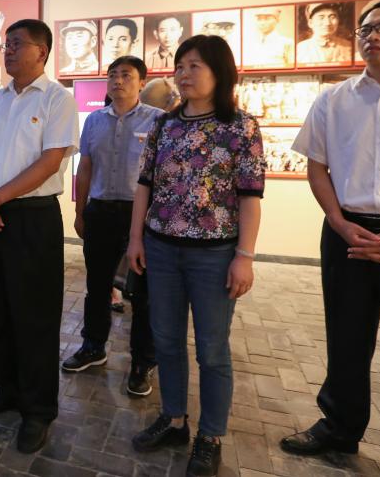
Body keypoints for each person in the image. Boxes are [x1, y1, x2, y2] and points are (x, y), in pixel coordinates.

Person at [283, 0, 380, 474]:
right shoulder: (334, 99)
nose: (373, 36)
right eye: (366, 29)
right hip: (347, 232)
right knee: (346, 339)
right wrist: (337, 220)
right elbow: (317, 166)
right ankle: (340, 425)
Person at [126, 35, 264, 477]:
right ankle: (173, 419)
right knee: (166, 340)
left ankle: (210, 435)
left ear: (220, 72)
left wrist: (244, 256)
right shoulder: (164, 125)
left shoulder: (240, 127)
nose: (184, 74)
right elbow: (144, 185)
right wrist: (135, 239)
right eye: (180, 66)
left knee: (212, 350)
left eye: (195, 66)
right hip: (162, 250)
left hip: (214, 255)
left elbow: (250, 197)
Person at [0, 19, 78, 454]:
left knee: (35, 316)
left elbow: (51, 161)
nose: (8, 51)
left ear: (41, 51)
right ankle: (6, 389)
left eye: (16, 44)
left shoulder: (57, 98)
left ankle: (38, 409)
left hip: (32, 218)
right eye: (5, 45)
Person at [65, 56, 162, 397]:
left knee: (143, 293)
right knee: (97, 285)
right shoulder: (93, 121)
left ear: (141, 82)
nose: (118, 81)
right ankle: (93, 346)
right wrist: (80, 211)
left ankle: (142, 362)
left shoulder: (158, 121)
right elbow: (85, 168)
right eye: (113, 75)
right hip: (101, 212)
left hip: (142, 216)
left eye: (126, 75)